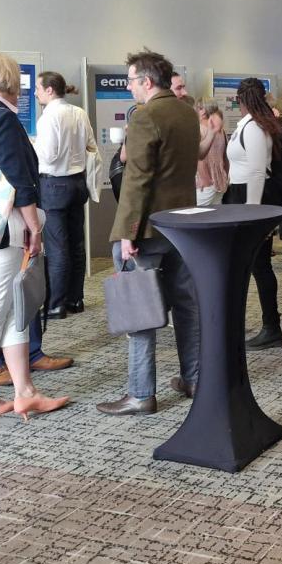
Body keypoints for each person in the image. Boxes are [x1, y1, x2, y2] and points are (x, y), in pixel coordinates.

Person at [0, 53, 70, 422]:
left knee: (9, 307)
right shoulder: (3, 118)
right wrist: (35, 227)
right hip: (5, 228)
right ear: (7, 79)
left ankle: (25, 391)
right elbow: (20, 178)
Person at [98, 50, 202, 416]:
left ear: (146, 81)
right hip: (181, 227)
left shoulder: (146, 117)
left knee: (139, 310)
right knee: (187, 306)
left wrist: (128, 233)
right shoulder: (186, 112)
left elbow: (137, 180)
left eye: (130, 81)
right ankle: (194, 378)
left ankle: (141, 394)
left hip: (147, 230)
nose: (129, 88)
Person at [224, 77, 282, 350]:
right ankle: (266, 324)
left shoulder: (254, 128)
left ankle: (272, 327)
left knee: (260, 266)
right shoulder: (248, 126)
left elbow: (258, 172)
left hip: (252, 201)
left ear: (242, 100)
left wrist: (252, 214)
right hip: (242, 198)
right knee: (251, 266)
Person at [34, 71, 99, 318]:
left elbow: (48, 156)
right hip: (77, 184)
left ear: (50, 90)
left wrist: (31, 147)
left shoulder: (49, 116)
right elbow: (91, 146)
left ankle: (55, 305)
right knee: (76, 244)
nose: (35, 93)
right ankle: (75, 300)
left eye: (38, 88)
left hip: (54, 186)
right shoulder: (79, 113)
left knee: (57, 246)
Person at [195, 100, 229, 207]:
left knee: (196, 218)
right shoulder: (220, 130)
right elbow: (225, 157)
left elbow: (199, 158)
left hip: (205, 184)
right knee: (215, 217)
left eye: (199, 108)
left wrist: (205, 180)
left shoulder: (199, 129)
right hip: (220, 181)